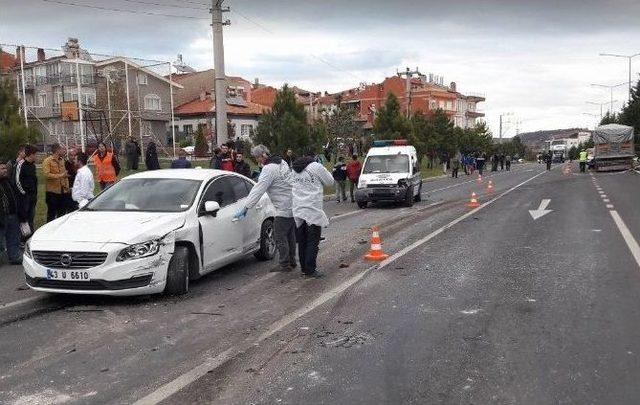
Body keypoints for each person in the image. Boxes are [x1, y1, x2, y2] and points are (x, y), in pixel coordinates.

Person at [234, 145, 297, 272]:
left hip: (282, 207)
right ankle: (292, 260)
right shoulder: (282, 162)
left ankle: (285, 264)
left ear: (263, 155)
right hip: (292, 203)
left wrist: (246, 207)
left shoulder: (268, 169)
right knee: (290, 235)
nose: (258, 161)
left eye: (258, 158)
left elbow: (258, 189)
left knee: (280, 236)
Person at [291, 152, 334, 278]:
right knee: (312, 241)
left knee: (303, 241)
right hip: (312, 209)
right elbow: (330, 182)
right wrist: (322, 168)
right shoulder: (316, 167)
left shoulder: (294, 169)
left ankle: (304, 268)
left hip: (298, 209)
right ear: (314, 159)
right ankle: (310, 269)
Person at [0, 160, 22, 264]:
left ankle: (14, 257)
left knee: (14, 238)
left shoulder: (8, 181)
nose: (5, 170)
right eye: (2, 169)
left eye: (5, 168)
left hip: (12, 214)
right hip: (2, 216)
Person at [42, 144, 70, 223]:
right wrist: (60, 175)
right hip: (52, 192)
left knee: (62, 212)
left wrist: (67, 186)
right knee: (51, 213)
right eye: (62, 149)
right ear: (57, 150)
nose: (64, 151)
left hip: (63, 191)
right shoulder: (47, 161)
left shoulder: (62, 160)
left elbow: (64, 175)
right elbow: (46, 175)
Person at [15, 145, 38, 233]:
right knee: (23, 218)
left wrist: (35, 193)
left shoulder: (33, 166)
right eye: (36, 154)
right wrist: (24, 193)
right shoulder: (21, 164)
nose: (36, 156)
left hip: (33, 196)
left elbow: (34, 180)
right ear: (31, 155)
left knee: (31, 217)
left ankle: (30, 235)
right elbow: (17, 180)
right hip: (24, 197)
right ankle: (22, 238)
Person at [64, 147, 78, 212]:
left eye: (74, 155)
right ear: (68, 156)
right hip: (69, 187)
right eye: (71, 155)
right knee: (69, 206)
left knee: (76, 206)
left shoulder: (76, 164)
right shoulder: (65, 164)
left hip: (76, 187)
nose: (73, 157)